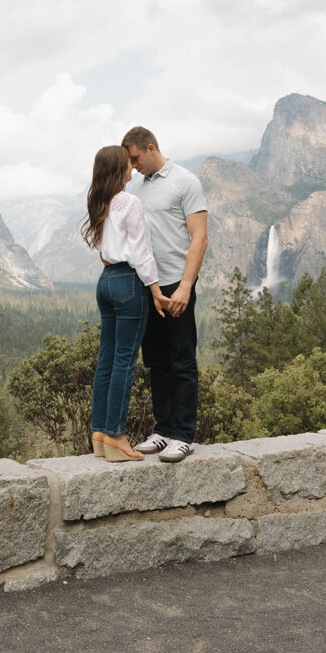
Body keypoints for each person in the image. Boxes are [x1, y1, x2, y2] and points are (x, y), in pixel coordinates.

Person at [121, 127, 208, 463]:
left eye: (135, 158)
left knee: (182, 360)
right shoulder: (137, 188)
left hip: (176, 284)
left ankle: (183, 435)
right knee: (156, 361)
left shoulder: (185, 182)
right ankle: (163, 430)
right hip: (148, 286)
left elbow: (199, 239)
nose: (132, 166)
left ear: (151, 148)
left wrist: (186, 285)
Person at [82, 144, 170, 462]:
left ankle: (100, 432)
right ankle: (117, 436)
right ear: (119, 170)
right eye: (128, 166)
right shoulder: (129, 202)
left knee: (106, 359)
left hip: (105, 281)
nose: (132, 169)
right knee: (124, 361)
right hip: (128, 283)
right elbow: (141, 252)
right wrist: (157, 290)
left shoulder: (100, 202)